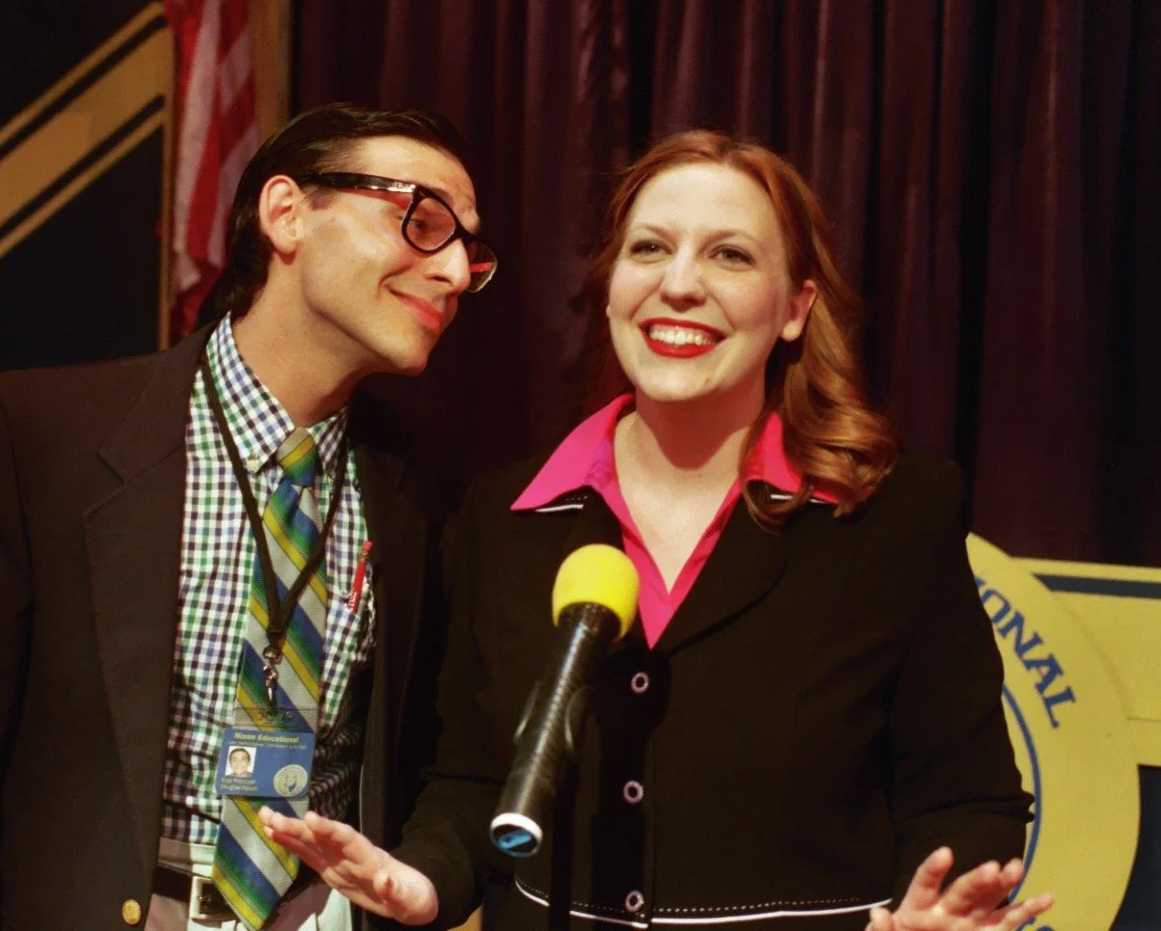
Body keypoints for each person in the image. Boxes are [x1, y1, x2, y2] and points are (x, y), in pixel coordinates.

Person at [261, 131, 1055, 930]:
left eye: (730, 257)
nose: (679, 285)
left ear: (795, 309)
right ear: (610, 289)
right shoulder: (503, 516)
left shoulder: (895, 516)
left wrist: (942, 908)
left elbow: (966, 798)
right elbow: (469, 783)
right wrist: (426, 882)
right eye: (650, 249)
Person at [0, 103, 497, 931]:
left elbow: (439, 767)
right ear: (287, 214)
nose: (455, 270)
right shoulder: (39, 438)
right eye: (420, 222)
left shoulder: (423, 489)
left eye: (468, 248)